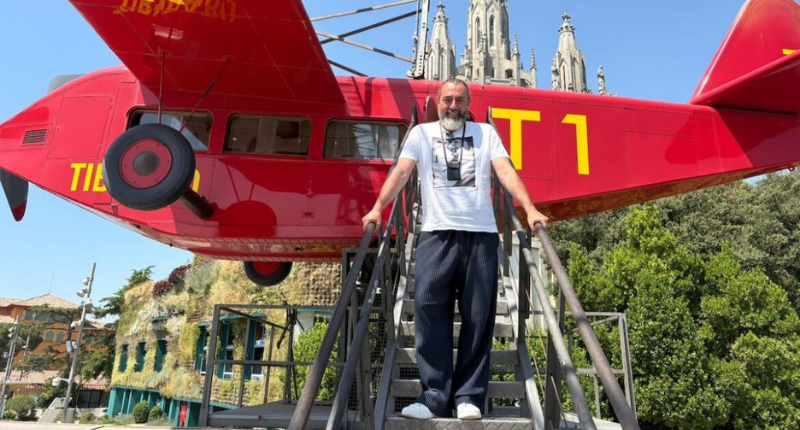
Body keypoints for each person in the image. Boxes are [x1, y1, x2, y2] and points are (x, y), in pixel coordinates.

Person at [361, 78, 548, 420]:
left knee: (479, 315)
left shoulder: (486, 134)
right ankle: (434, 395)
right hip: (436, 232)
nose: (453, 106)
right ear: (438, 101)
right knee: (428, 305)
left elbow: (504, 171)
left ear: (468, 103)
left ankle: (470, 397)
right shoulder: (420, 134)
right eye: (447, 99)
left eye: (460, 100)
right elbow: (402, 172)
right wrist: (378, 208)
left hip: (480, 235)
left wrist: (529, 208)